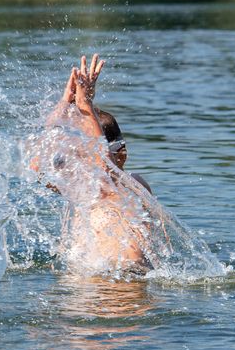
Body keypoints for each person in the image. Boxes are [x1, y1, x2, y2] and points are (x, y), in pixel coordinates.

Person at [42, 54, 153, 274]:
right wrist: (65, 103)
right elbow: (40, 165)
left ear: (120, 155)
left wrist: (85, 105)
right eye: (77, 157)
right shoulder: (81, 190)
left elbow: (105, 172)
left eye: (87, 156)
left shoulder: (132, 185)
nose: (81, 165)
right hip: (92, 286)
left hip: (126, 286)